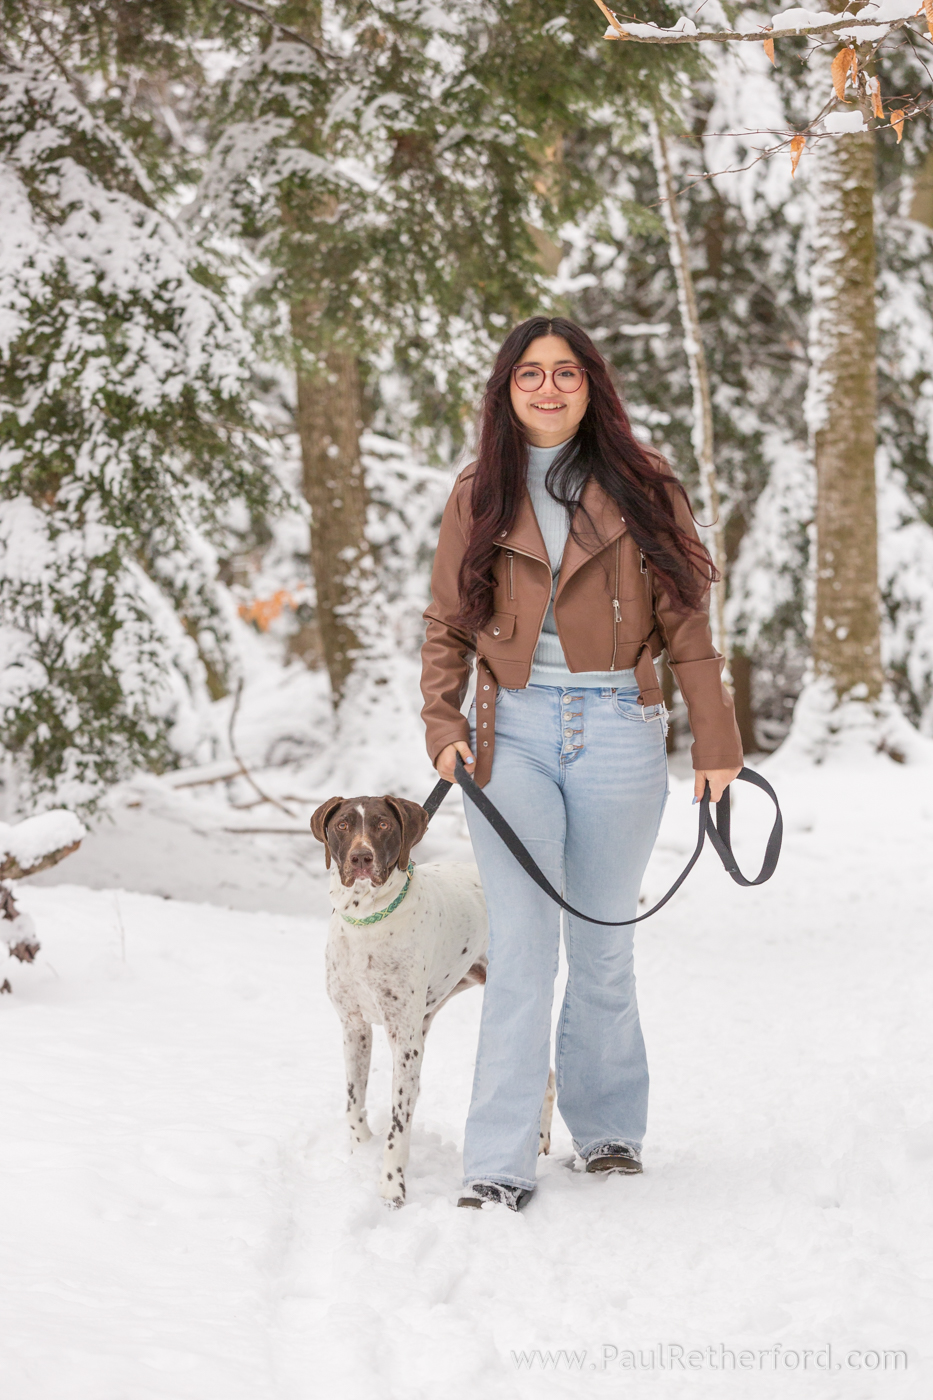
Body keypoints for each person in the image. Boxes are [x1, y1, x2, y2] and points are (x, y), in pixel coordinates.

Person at [419, 316, 742, 1211]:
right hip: (508, 734)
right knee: (521, 950)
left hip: (619, 728)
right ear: (506, 390)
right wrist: (440, 720)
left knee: (602, 946)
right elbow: (445, 621)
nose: (549, 388)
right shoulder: (476, 492)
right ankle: (496, 1160)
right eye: (530, 374)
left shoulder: (644, 485)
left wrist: (715, 742)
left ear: (590, 384)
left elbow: (685, 621)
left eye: (565, 372)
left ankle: (605, 1132)